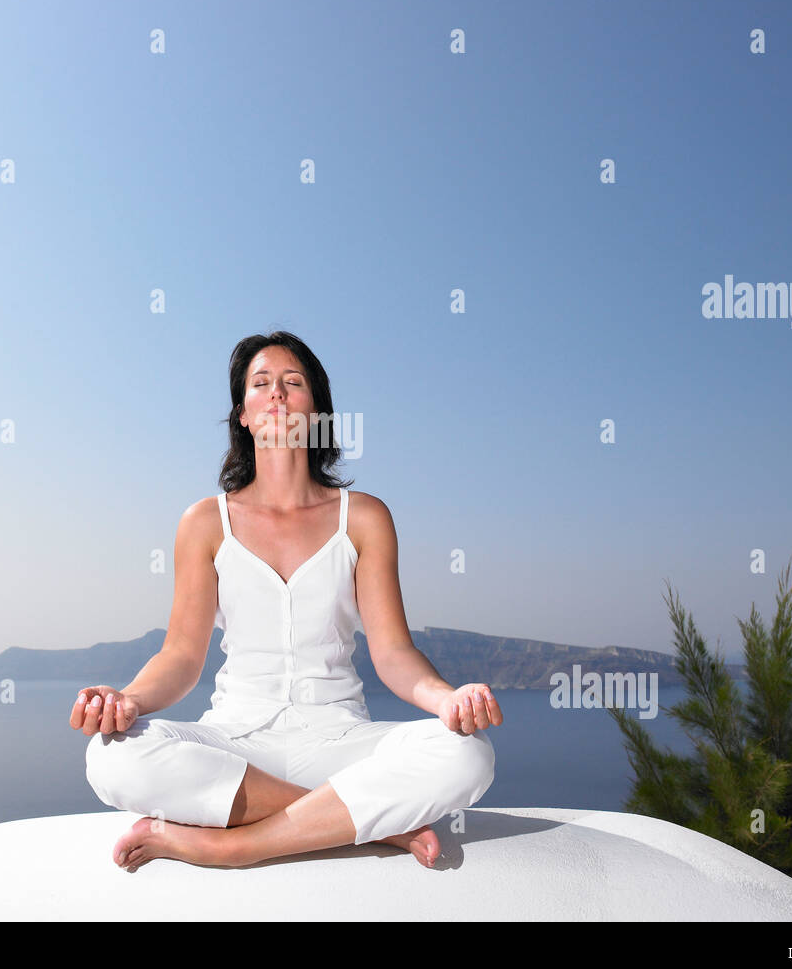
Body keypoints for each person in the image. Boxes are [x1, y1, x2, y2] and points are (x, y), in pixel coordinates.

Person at [71, 331, 502, 870]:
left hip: (341, 739)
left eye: (293, 383)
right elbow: (181, 656)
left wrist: (447, 700)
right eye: (261, 383)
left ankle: (234, 845)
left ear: (317, 412)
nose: (277, 393)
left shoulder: (364, 518)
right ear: (243, 414)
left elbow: (393, 653)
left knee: (468, 754)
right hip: (235, 741)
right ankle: (368, 828)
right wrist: (127, 700)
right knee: (112, 758)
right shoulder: (205, 522)